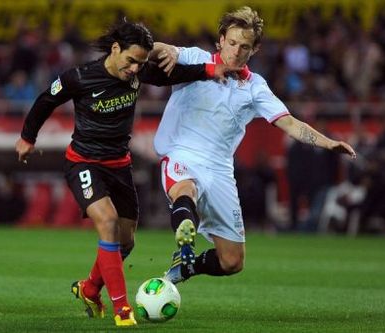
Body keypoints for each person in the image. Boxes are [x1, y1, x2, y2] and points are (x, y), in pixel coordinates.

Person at [15, 20, 240, 327]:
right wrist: (28, 138)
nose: (136, 69)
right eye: (131, 60)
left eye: (141, 63)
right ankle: (122, 310)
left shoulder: (137, 72)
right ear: (115, 49)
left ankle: (90, 288)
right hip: (84, 163)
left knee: (126, 242)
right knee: (107, 223)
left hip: (119, 166)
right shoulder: (80, 77)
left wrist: (210, 71)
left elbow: (170, 76)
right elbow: (46, 100)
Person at [151, 6, 356, 285]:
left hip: (221, 170)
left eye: (244, 47)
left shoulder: (255, 87)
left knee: (232, 261)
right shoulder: (195, 58)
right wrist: (169, 51)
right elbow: (154, 48)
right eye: (232, 43)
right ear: (220, 40)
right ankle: (185, 237)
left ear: (255, 49)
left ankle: (186, 267)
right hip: (182, 155)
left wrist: (328, 143)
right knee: (186, 189)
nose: (235, 52)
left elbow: (291, 123)